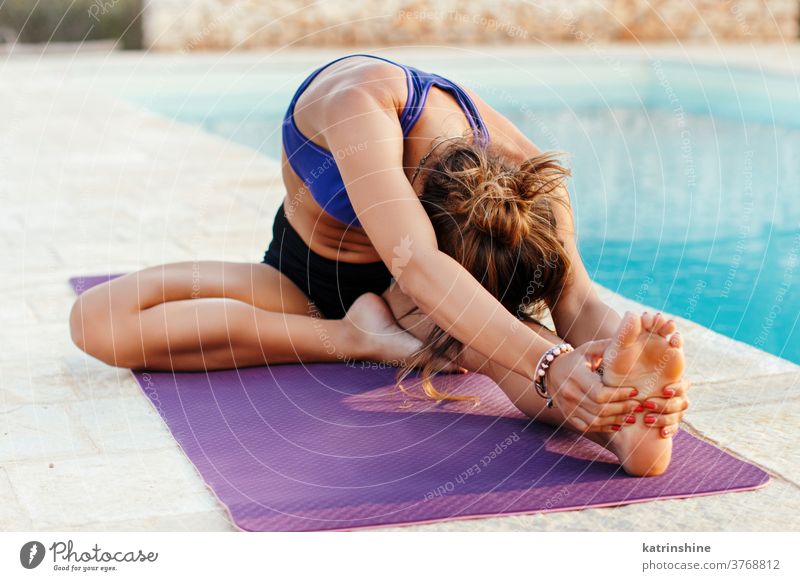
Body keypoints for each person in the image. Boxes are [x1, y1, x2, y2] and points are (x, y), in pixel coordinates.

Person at [69, 53, 690, 476]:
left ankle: (623, 426)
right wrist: (548, 360)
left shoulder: (532, 175)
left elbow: (574, 297)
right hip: (298, 276)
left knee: (496, 350)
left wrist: (619, 364)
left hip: (410, 305)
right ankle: (348, 338)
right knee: (96, 321)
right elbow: (416, 260)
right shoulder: (364, 103)